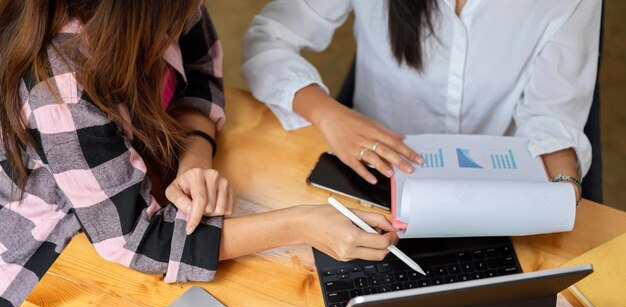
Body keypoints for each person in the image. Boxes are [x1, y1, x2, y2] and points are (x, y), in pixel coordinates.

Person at [0, 0, 398, 307]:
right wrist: (301, 224)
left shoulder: (166, 8)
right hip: (43, 265)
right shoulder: (60, 88)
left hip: (130, 195)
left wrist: (195, 155)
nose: (197, 11)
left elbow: (203, 74)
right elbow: (137, 242)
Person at [241, 0, 601, 205]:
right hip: (375, 182)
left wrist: (563, 184)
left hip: (496, 193)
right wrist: (329, 113)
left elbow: (552, 116)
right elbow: (267, 40)